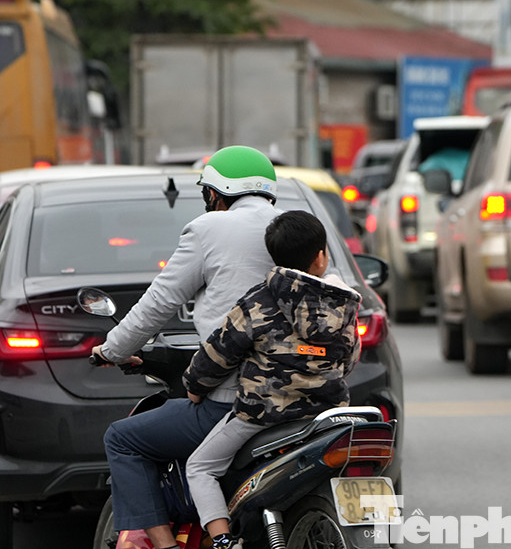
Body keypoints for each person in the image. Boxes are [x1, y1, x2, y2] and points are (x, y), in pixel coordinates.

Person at [91, 145, 281, 549]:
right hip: (308, 397)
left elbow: (160, 302)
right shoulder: (297, 228)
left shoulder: (209, 228)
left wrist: (112, 349)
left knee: (122, 439)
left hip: (232, 402)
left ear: (216, 192)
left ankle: (165, 545)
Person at [183, 210, 362, 549]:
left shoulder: (259, 299)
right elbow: (349, 360)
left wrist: (194, 386)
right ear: (321, 257)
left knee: (200, 467)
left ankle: (222, 541)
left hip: (263, 414)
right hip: (328, 413)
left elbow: (219, 352)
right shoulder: (345, 305)